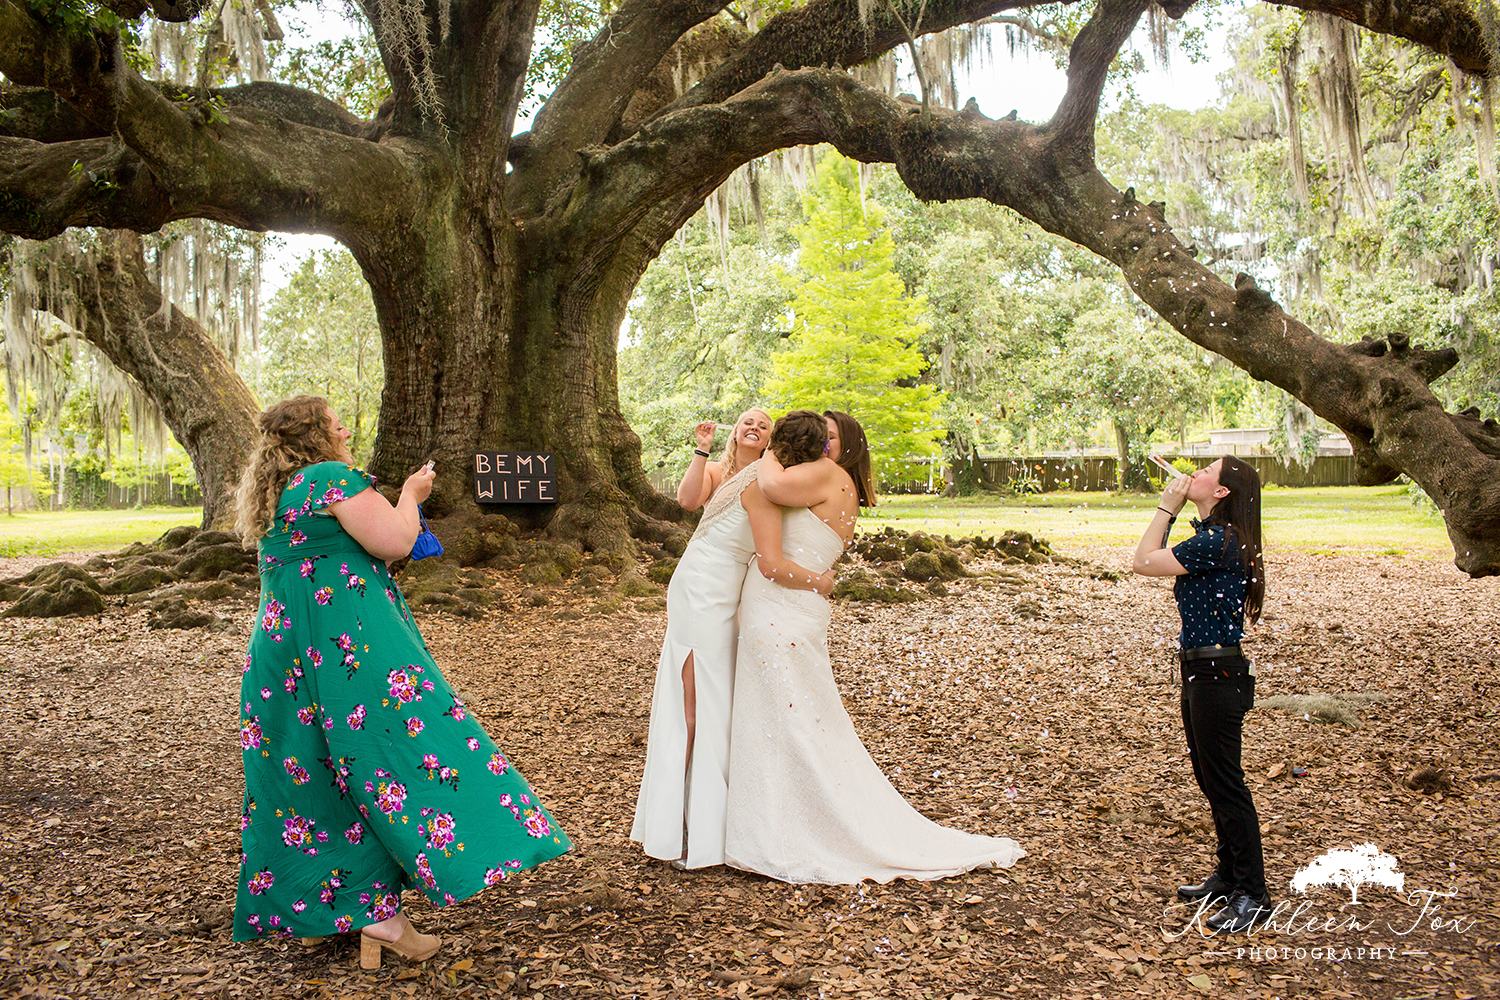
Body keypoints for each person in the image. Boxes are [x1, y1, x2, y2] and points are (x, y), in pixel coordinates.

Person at [231, 396, 570, 967]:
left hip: (283, 658)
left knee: (305, 772)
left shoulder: (278, 492)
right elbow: (394, 543)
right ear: (315, 434)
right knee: (396, 753)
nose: (343, 426)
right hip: (349, 654)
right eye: (333, 419)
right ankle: (380, 922)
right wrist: (411, 497)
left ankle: (321, 909)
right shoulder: (330, 478)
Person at [724, 411, 1025, 883]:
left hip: (782, 608)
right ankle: (775, 820)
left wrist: (769, 449)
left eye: (829, 438)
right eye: (816, 437)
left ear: (845, 448)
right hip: (794, 611)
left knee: (786, 719)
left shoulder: (823, 474)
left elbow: (772, 492)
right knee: (790, 717)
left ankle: (789, 829)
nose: (819, 445)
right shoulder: (839, 482)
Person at [632, 410, 832, 869]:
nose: (755, 429)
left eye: (766, 425)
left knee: (713, 698)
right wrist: (820, 581)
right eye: (749, 421)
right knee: (694, 702)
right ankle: (683, 825)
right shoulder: (759, 483)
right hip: (704, 588)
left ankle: (697, 818)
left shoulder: (772, 482)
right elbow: (769, 560)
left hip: (721, 591)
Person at [1132, 456, 1269, 933]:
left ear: (1223, 492)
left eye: (1206, 470)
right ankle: (1231, 876)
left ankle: (1254, 893)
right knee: (1212, 779)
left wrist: (1165, 507)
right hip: (1203, 671)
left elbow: (1143, 560)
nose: (1195, 473)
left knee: (1226, 782)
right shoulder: (1219, 539)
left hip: (1217, 675)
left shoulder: (1219, 542)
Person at [676, 408, 772, 511]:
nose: (754, 428)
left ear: (768, 441)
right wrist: (703, 447)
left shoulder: (770, 478)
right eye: (748, 423)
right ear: (735, 433)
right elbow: (687, 502)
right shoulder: (714, 472)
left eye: (762, 427)